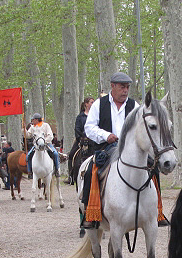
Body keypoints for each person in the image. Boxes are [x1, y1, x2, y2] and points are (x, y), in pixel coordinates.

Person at [81, 71, 168, 228]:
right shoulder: (99, 105)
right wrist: (106, 135)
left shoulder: (134, 106)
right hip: (107, 147)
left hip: (130, 149)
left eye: (127, 87)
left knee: (153, 169)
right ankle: (90, 213)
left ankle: (157, 212)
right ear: (112, 86)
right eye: (122, 87)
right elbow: (89, 127)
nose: (125, 90)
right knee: (90, 171)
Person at [65, 97, 95, 184]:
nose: (93, 104)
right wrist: (81, 138)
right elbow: (77, 129)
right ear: (86, 104)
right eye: (91, 102)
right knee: (71, 155)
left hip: (93, 140)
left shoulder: (95, 116)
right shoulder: (80, 117)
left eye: (93, 102)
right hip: (81, 140)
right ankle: (70, 176)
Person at [26, 112, 60, 177]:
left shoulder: (46, 125)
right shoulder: (32, 127)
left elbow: (50, 136)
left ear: (36, 120)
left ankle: (57, 169)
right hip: (36, 145)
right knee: (28, 156)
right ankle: (30, 172)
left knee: (55, 154)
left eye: (33, 120)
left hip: (47, 144)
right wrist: (24, 130)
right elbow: (28, 135)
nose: (32, 121)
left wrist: (44, 141)